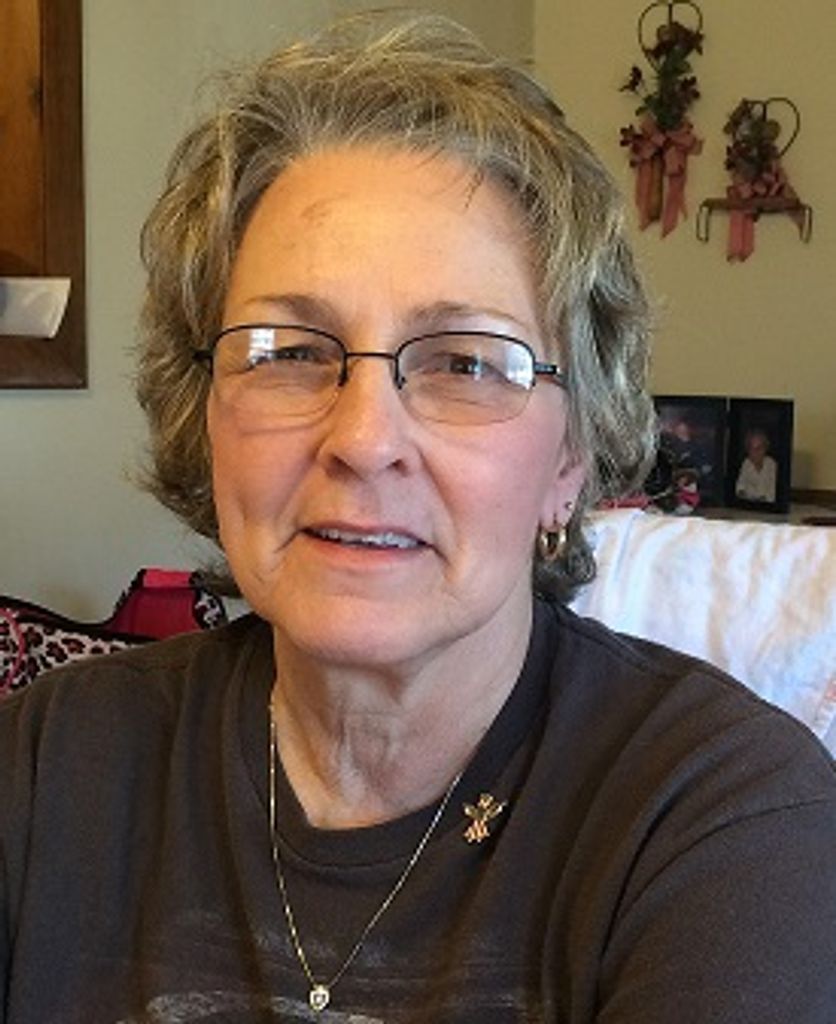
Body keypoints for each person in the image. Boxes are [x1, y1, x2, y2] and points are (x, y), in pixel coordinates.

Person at [1, 14, 834, 1023]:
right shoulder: (47, 764)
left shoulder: (723, 818)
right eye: (289, 351)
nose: (362, 438)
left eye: (465, 363)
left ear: (569, 460)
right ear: (204, 413)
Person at [736, 427, 778, 502]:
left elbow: (773, 492)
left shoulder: (772, 465)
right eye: (751, 448)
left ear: (765, 449)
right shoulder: (746, 463)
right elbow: (740, 487)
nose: (755, 452)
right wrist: (742, 495)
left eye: (759, 448)